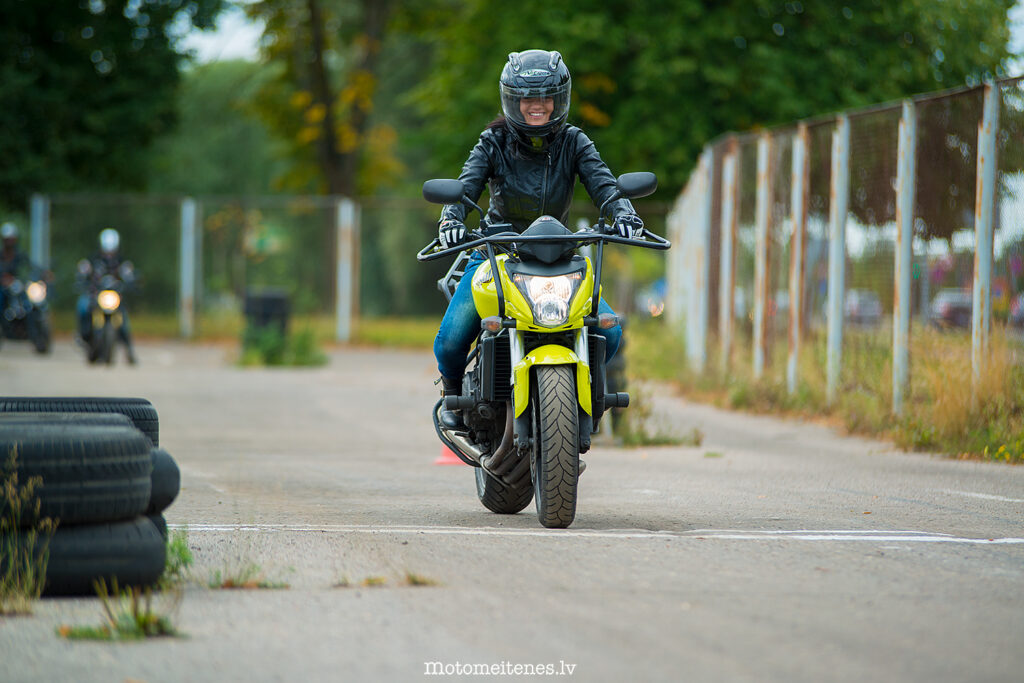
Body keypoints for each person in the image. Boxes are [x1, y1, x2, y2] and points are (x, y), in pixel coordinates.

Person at [433, 49, 645, 427]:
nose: (538, 105)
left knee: (609, 333)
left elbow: (605, 186)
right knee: (450, 340)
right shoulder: (492, 142)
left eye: (546, 97)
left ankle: (586, 398)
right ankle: (453, 396)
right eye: (528, 98)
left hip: (557, 258)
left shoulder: (575, 142)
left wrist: (625, 214)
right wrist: (451, 217)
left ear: (558, 100)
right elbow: (466, 188)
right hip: (497, 254)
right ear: (512, 100)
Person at [76, 228, 138, 363]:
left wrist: (132, 282)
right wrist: (81, 279)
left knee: (123, 319)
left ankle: (129, 349)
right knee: (82, 306)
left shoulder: (122, 262)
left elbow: (130, 275)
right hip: (95, 295)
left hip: (114, 296)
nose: (109, 252)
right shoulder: (93, 260)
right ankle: (82, 335)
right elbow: (82, 272)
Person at [1, 222, 34, 312]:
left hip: (18, 286)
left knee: (31, 301)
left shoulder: (20, 255)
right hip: (3, 288)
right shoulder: (1, 255)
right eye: (7, 239)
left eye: (12, 239)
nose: (10, 242)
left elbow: (31, 266)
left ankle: (36, 322)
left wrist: (43, 273)